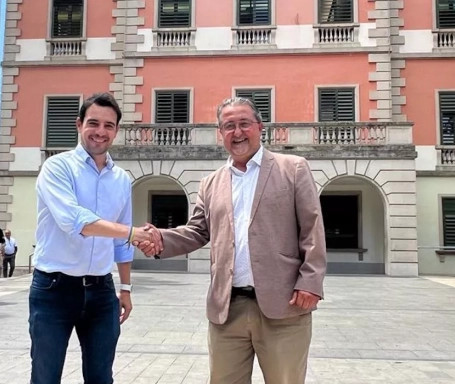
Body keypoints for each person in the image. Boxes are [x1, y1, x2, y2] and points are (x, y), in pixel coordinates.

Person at [138, 97, 326, 384]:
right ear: (220, 133)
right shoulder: (211, 183)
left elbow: (312, 228)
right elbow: (197, 232)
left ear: (260, 127)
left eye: (244, 124)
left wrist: (310, 281)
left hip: (284, 307)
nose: (237, 132)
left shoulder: (293, 168)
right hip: (228, 309)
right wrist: (160, 238)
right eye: (229, 126)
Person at [29, 92, 161, 384]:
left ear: (116, 130)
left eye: (109, 125)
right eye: (93, 123)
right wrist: (132, 232)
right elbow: (75, 221)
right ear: (79, 125)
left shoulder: (121, 179)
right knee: (45, 377)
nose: (100, 132)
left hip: (102, 291)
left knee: (102, 377)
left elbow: (120, 242)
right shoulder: (57, 167)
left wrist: (125, 288)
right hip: (54, 289)